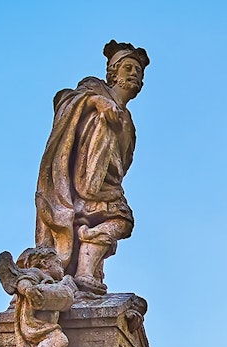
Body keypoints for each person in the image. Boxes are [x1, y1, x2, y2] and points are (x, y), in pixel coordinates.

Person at [36, 41, 149, 295]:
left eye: (138, 72)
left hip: (106, 185)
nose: (133, 74)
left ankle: (86, 268)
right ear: (113, 73)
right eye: (128, 68)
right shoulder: (93, 88)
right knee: (121, 218)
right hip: (84, 182)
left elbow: (123, 162)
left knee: (120, 220)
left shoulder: (129, 124)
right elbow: (64, 100)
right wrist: (97, 101)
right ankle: (85, 268)